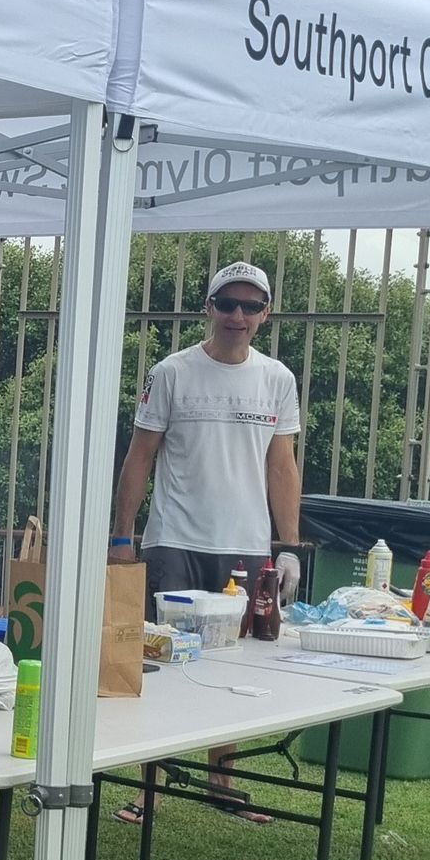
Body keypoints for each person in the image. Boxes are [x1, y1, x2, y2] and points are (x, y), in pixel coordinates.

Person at [111, 259, 302, 822]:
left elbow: (282, 465)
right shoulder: (171, 371)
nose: (236, 316)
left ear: (265, 315)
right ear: (208, 309)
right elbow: (139, 457)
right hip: (175, 540)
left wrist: (288, 546)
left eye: (249, 306)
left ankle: (223, 783)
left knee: (237, 666)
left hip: (245, 544)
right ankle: (150, 787)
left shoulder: (278, 379)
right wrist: (123, 535)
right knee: (165, 662)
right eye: (227, 304)